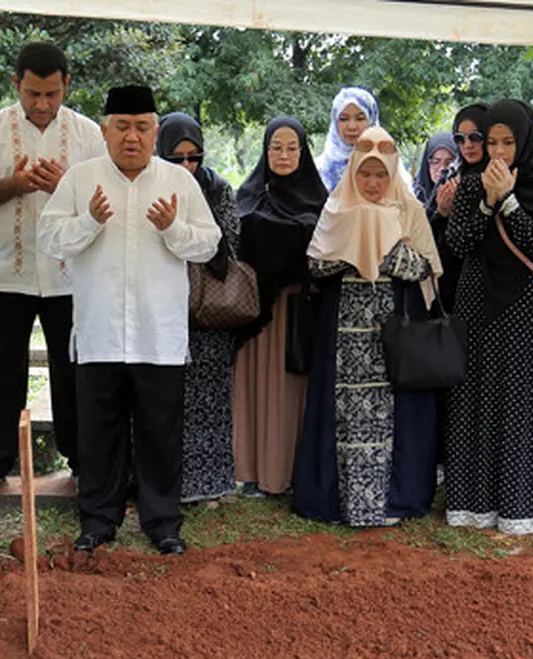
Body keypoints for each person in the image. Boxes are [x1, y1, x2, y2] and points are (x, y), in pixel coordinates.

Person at [39, 85, 220, 555]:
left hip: (158, 334)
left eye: (142, 127)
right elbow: (51, 239)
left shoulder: (179, 183)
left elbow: (208, 244)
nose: (132, 137)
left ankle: (163, 523)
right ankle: (98, 521)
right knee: (99, 434)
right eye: (122, 126)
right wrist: (90, 222)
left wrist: (171, 228)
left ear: (154, 130)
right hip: (100, 333)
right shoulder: (81, 180)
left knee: (161, 434)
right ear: (105, 130)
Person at [0, 42, 105, 505]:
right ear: (16, 83)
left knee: (73, 371)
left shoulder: (88, 133)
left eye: (52, 94)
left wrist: (66, 186)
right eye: (34, 93)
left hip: (70, 278)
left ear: (67, 87)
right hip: (5, 273)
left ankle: (81, 464)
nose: (42, 104)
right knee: (0, 372)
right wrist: (13, 186)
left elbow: (105, 199)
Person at [294, 127, 442, 526]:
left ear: (392, 173)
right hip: (342, 334)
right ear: (353, 173)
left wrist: (383, 247)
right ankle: (338, 500)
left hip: (394, 331)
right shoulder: (337, 208)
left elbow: (428, 266)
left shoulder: (408, 208)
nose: (373, 183)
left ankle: (393, 499)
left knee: (396, 409)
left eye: (380, 175)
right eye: (365, 174)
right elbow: (315, 264)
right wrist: (352, 244)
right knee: (339, 410)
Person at [443, 99, 533, 535]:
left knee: (519, 400)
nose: (497, 152)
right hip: (476, 303)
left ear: (524, 142)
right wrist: (485, 203)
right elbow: (458, 243)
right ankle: (472, 504)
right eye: (490, 142)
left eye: (507, 142)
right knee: (473, 398)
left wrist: (509, 201)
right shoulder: (470, 183)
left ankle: (520, 506)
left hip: (525, 308)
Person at [232, 117, 329, 497]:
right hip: (256, 313)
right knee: (255, 391)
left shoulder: (320, 200)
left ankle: (289, 473)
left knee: (291, 395)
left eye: (292, 148)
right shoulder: (248, 195)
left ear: (303, 152)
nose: (284, 155)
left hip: (296, 311)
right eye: (276, 147)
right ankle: (253, 473)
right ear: (265, 150)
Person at [155, 112, 242, 503]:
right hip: (159, 307)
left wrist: (182, 236)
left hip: (207, 313)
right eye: (177, 159)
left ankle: (206, 484)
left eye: (194, 157)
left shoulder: (218, 188)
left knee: (207, 400)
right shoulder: (150, 185)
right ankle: (157, 482)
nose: (187, 166)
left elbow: (226, 241)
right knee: (162, 400)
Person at [433, 103, 490, 312]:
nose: (467, 145)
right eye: (460, 139)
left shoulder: (499, 179)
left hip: (488, 291)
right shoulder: (453, 178)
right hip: (452, 289)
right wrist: (443, 213)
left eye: (475, 137)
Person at [414, 132, 458, 218]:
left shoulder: (466, 193)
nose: (442, 168)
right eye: (435, 162)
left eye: (449, 162)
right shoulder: (416, 198)